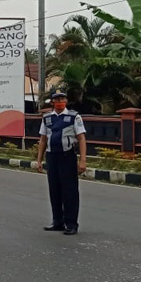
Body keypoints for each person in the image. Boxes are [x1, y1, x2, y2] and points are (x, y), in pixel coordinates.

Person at [36, 90, 87, 236]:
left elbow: (81, 138)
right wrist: (39, 159)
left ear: (66, 101)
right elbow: (43, 139)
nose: (60, 102)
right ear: (52, 102)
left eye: (62, 99)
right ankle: (57, 221)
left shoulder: (73, 117)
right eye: (57, 99)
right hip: (52, 157)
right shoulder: (47, 118)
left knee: (69, 191)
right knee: (55, 190)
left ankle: (71, 224)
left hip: (67, 157)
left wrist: (83, 160)